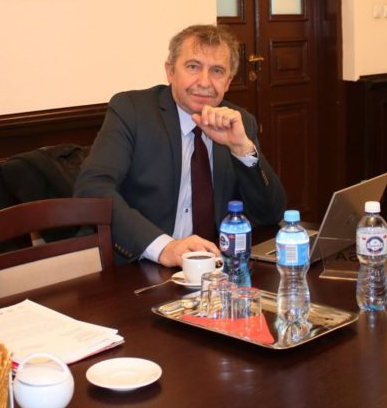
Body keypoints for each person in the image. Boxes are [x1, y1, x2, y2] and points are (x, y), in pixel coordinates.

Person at [74, 24, 286, 267]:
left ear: (228, 82)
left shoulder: (239, 122)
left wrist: (242, 150)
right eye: (193, 67)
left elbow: (271, 213)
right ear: (170, 71)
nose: (204, 82)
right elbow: (92, 188)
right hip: (141, 265)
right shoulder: (132, 111)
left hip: (213, 269)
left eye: (217, 71)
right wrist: (164, 247)